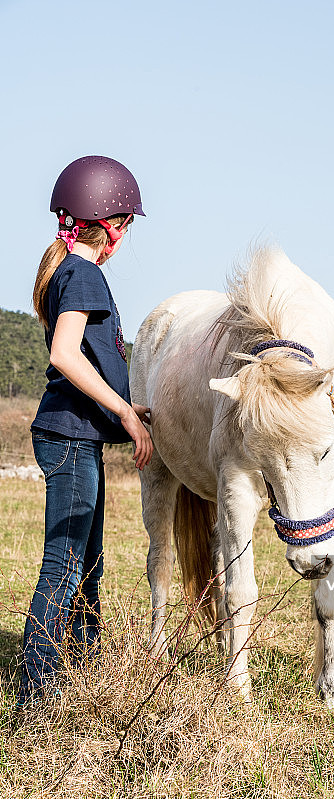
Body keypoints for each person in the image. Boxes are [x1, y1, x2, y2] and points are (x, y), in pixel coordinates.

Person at [18, 155, 153, 705]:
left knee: (86, 561)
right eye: (126, 223)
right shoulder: (85, 273)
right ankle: (37, 696)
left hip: (75, 434)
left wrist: (129, 405)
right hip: (70, 437)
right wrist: (121, 412)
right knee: (67, 563)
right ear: (112, 226)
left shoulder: (67, 271)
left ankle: (86, 671)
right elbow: (66, 355)